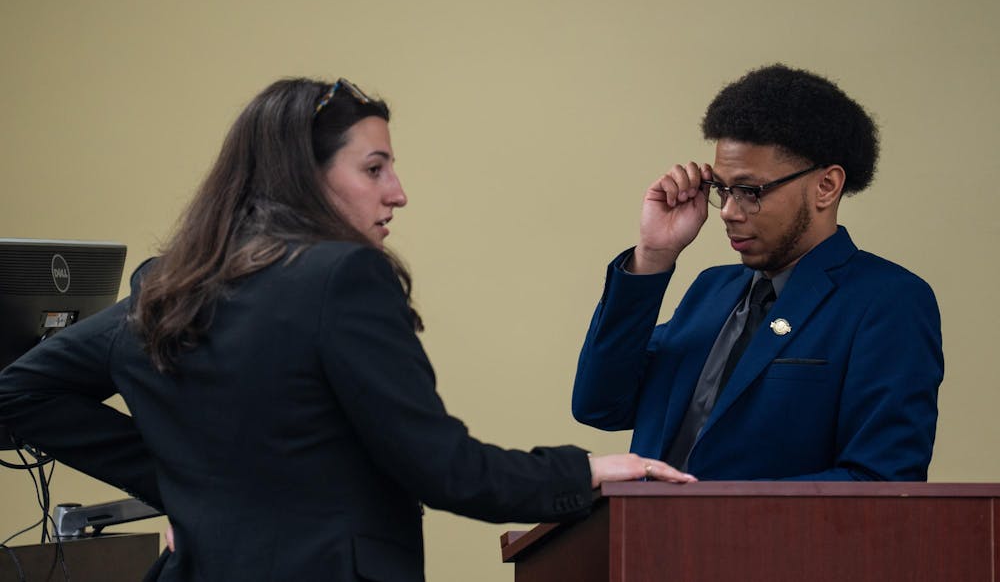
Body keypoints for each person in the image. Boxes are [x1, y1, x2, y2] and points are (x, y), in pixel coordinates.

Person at [0, 77, 695, 581]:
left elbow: (18, 392)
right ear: (305, 177)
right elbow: (443, 467)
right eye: (374, 167)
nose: (397, 191)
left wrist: (189, 487)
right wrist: (586, 470)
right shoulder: (344, 278)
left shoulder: (167, 290)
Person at [572, 64, 944, 481]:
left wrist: (711, 518)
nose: (729, 212)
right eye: (723, 190)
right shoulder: (711, 291)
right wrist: (654, 256)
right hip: (646, 541)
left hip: (765, 545)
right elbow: (599, 405)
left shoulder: (886, 300)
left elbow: (881, 480)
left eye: (750, 191)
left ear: (826, 186)